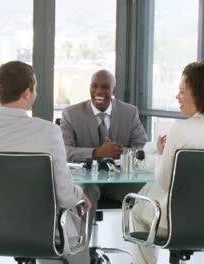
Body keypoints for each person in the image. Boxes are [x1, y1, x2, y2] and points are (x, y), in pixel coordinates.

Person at [0, 61, 91, 264]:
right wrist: (80, 194)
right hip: (40, 234)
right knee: (74, 211)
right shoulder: (48, 132)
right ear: (27, 93)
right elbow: (66, 196)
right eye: (36, 89)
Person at [132, 62, 204, 264]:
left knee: (137, 207)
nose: (177, 97)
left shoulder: (180, 130)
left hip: (179, 221)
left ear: (199, 94)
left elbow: (164, 182)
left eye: (182, 92)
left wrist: (163, 154)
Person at [59, 69, 148, 248]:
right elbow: (64, 151)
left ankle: (144, 255)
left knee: (147, 192)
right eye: (94, 86)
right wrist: (97, 153)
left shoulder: (129, 112)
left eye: (105, 87)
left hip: (119, 181)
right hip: (86, 181)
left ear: (113, 91)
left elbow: (142, 148)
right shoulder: (71, 113)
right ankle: (80, 253)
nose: (99, 92)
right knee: (87, 192)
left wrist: (116, 152)